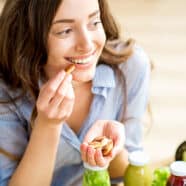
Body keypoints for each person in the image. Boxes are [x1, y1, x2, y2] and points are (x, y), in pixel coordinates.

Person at [0, 0, 150, 186]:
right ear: (28, 35)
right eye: (65, 31)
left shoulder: (130, 67)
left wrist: (109, 148)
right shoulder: (6, 91)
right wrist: (47, 125)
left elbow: (125, 173)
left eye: (94, 22)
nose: (87, 45)